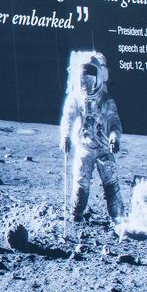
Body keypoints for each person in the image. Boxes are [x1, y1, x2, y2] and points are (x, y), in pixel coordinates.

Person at [59, 51, 124, 224]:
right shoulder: (76, 99)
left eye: (90, 79)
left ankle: (118, 218)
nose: (87, 84)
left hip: (103, 147)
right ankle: (76, 214)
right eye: (84, 80)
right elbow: (68, 118)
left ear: (99, 78)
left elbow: (114, 124)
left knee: (111, 183)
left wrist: (114, 139)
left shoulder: (107, 101)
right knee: (81, 183)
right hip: (84, 146)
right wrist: (65, 136)